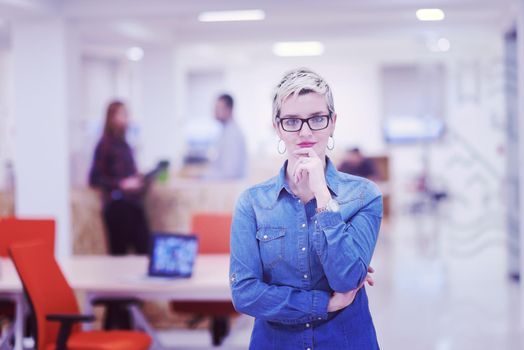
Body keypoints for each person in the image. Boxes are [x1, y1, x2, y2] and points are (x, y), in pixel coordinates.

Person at [229, 68, 383, 349]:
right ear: (277, 127)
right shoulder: (252, 202)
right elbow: (245, 294)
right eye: (292, 121)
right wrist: (325, 302)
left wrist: (323, 196)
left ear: (333, 122)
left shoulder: (364, 195)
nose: (305, 131)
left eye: (317, 119)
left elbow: (346, 278)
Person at [89, 100, 149, 256]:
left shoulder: (125, 145)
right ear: (112, 118)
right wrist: (121, 184)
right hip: (117, 207)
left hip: (133, 205)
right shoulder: (104, 145)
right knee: (118, 254)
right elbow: (94, 178)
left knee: (144, 250)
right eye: (122, 114)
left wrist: (140, 180)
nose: (127, 118)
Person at [205, 93, 247, 180]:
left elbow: (230, 173)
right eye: (215, 108)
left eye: (218, 108)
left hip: (230, 187)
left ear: (229, 109)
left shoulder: (232, 134)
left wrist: (204, 177)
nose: (215, 112)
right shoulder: (225, 131)